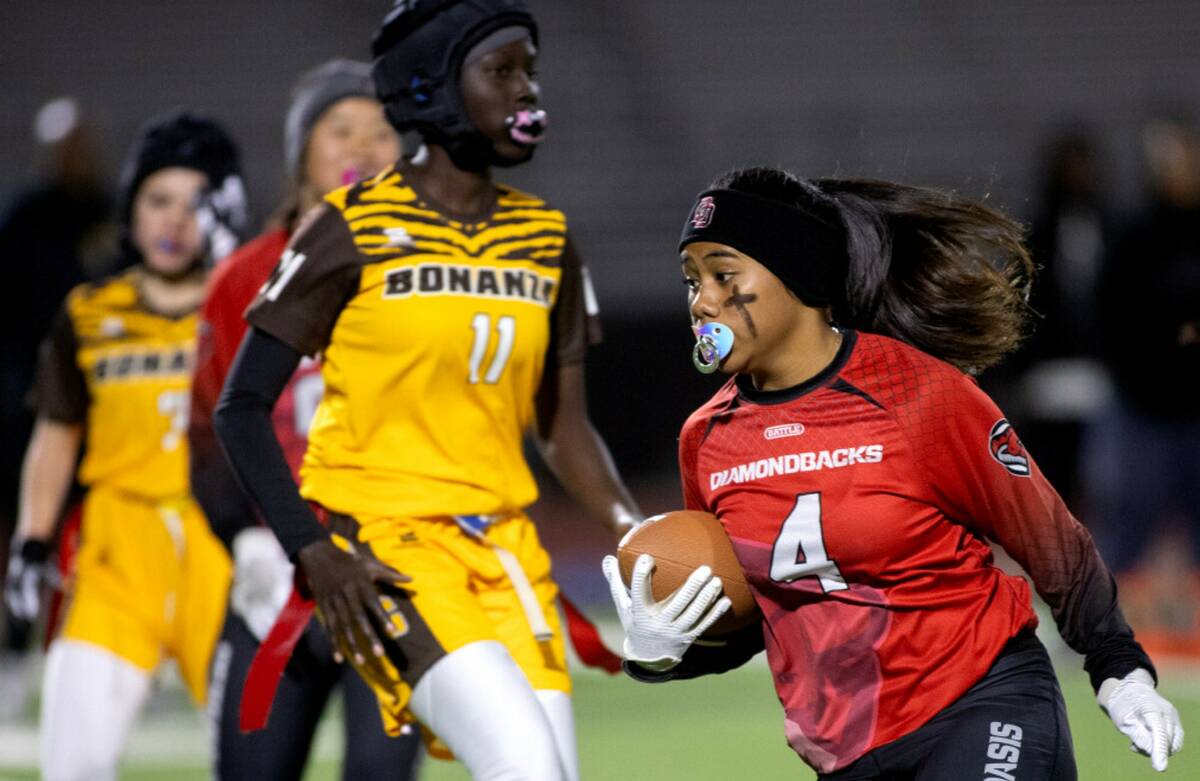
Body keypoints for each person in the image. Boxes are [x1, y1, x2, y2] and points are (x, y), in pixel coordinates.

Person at [602, 167, 1185, 780]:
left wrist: (1117, 666)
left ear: (798, 275)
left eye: (724, 275)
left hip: (981, 702)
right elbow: (759, 617)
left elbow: (1051, 540)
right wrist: (664, 650)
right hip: (846, 751)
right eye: (692, 280)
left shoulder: (919, 393)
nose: (702, 300)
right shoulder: (706, 439)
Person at [213, 2, 640, 780]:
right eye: (502, 71)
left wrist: (631, 530)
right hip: (390, 549)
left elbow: (563, 427)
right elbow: (239, 407)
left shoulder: (546, 236)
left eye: (531, 70)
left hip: (508, 551)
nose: (526, 90)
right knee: (526, 766)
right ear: (433, 88)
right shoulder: (347, 225)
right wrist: (311, 551)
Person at [190, 59, 422, 780]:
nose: (362, 147)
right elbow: (206, 437)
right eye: (341, 128)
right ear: (302, 150)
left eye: (383, 133)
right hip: (279, 576)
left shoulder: (428, 269)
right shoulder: (241, 277)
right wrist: (246, 540)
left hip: (389, 568)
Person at [3, 110, 243, 781]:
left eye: (194, 204)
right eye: (156, 200)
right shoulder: (89, 312)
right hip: (117, 551)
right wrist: (32, 537)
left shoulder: (255, 307)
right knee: (74, 762)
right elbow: (55, 436)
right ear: (130, 210)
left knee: (254, 762)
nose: (173, 220)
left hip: (225, 553)